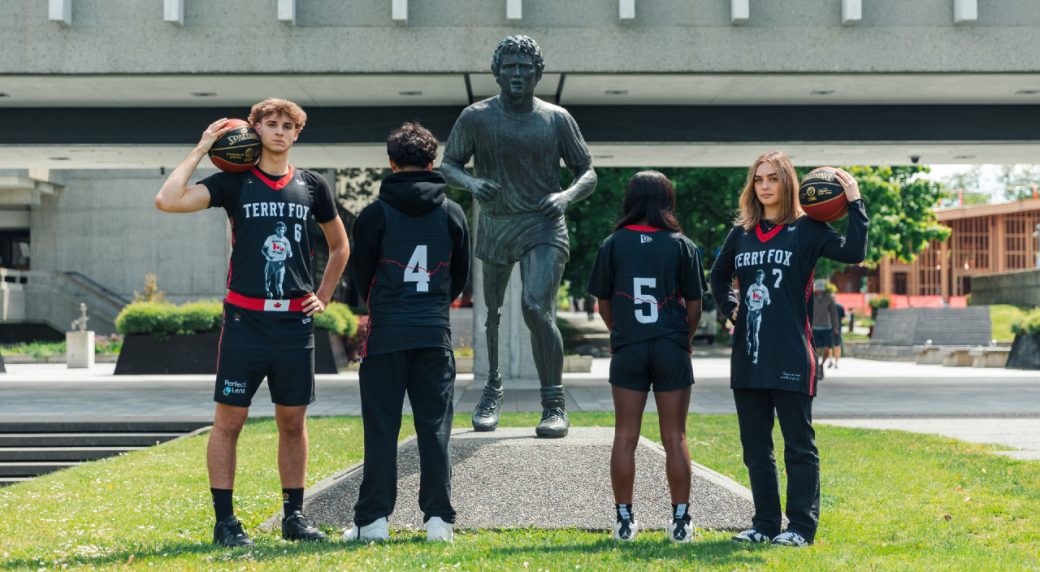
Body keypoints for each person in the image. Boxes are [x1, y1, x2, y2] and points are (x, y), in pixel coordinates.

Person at [155, 98, 350, 547]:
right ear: (256, 129)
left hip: (293, 327)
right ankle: (225, 523)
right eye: (271, 124)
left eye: (288, 125)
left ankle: (294, 517)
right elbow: (167, 200)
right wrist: (203, 147)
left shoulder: (312, 185)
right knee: (229, 421)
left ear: (297, 133)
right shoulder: (233, 183)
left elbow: (340, 246)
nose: (279, 131)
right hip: (245, 322)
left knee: (292, 423)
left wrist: (323, 297)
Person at [441, 35, 597, 439]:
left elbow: (587, 172)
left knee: (535, 308)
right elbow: (449, 165)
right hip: (496, 223)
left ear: (537, 73)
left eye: (524, 67)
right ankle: (492, 389)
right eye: (508, 67)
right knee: (490, 312)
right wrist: (472, 185)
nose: (516, 74)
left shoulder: (556, 118)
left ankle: (554, 402)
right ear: (496, 72)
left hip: (543, 224)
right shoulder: (475, 117)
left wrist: (565, 196)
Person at [709, 152, 867, 548]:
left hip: (793, 354)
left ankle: (800, 527)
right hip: (749, 356)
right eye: (758, 179)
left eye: (772, 179)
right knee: (756, 448)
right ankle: (764, 524)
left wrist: (854, 203)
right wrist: (731, 311)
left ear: (787, 184)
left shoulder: (809, 229)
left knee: (798, 446)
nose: (764, 186)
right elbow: (718, 275)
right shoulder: (741, 232)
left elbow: (854, 253)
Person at [345, 122, 470, 543]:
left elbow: (361, 278)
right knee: (434, 428)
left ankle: (374, 523)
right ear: (432, 162)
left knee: (382, 429)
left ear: (391, 163)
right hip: (434, 335)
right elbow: (459, 278)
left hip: (386, 336)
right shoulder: (452, 212)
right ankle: (439, 522)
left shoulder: (374, 214)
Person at [587, 171, 703, 543]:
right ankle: (681, 522)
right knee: (674, 436)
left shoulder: (613, 244)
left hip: (630, 348)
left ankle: (624, 521)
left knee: (625, 436)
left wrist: (619, 332)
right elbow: (695, 306)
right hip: (670, 346)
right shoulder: (683, 245)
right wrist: (680, 339)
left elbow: (603, 301)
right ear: (667, 201)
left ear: (630, 201)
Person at [810, 280, 839, 379]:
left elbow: (834, 313)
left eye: (821, 290)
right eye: (818, 289)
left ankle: (821, 365)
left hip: (826, 328)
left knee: (827, 350)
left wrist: (835, 327)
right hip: (814, 328)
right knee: (816, 350)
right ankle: (817, 368)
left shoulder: (829, 299)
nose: (820, 291)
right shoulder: (810, 298)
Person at [830, 303, 846, 368]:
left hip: (829, 328)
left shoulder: (828, 307)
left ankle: (830, 360)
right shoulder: (840, 307)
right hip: (838, 329)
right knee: (837, 346)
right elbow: (843, 317)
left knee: (829, 346)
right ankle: (836, 362)